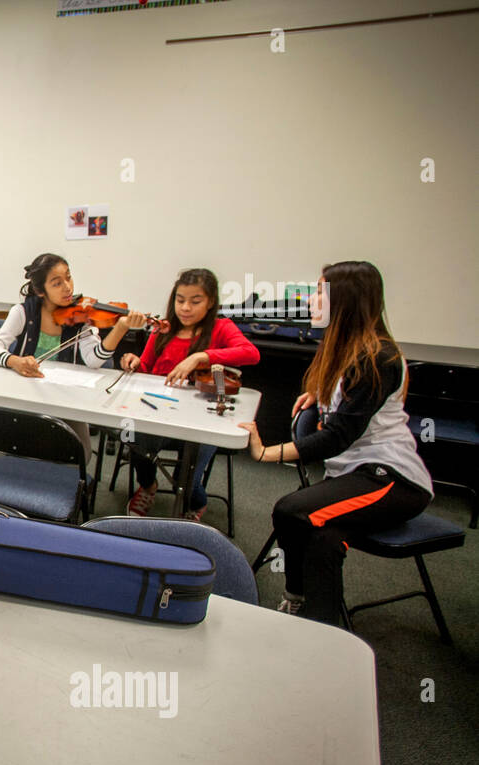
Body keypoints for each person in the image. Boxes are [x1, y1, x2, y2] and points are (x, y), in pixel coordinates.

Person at [240, 261, 432, 625]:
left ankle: (294, 597)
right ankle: (319, 627)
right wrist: (320, 394)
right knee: (323, 540)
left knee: (291, 510)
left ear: (345, 302)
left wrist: (268, 453)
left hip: (391, 480)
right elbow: (348, 404)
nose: (311, 300)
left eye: (319, 293)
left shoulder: (379, 359)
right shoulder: (345, 350)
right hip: (354, 474)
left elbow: (337, 437)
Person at [114, 267, 260, 520]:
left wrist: (201, 356)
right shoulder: (164, 329)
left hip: (201, 422)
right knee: (131, 434)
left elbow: (251, 353)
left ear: (211, 301)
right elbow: (147, 367)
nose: (185, 308)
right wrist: (134, 362)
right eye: (180, 300)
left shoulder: (221, 328)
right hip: (161, 415)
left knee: (189, 480)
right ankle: (148, 486)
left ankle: (197, 503)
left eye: (195, 301)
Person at [0, 253, 107, 457]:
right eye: (57, 283)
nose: (67, 287)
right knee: (15, 448)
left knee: (82, 453)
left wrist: (119, 330)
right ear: (41, 291)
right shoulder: (24, 312)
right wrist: (15, 361)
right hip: (26, 397)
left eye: (68, 277)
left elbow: (94, 360)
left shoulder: (80, 317)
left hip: (65, 400)